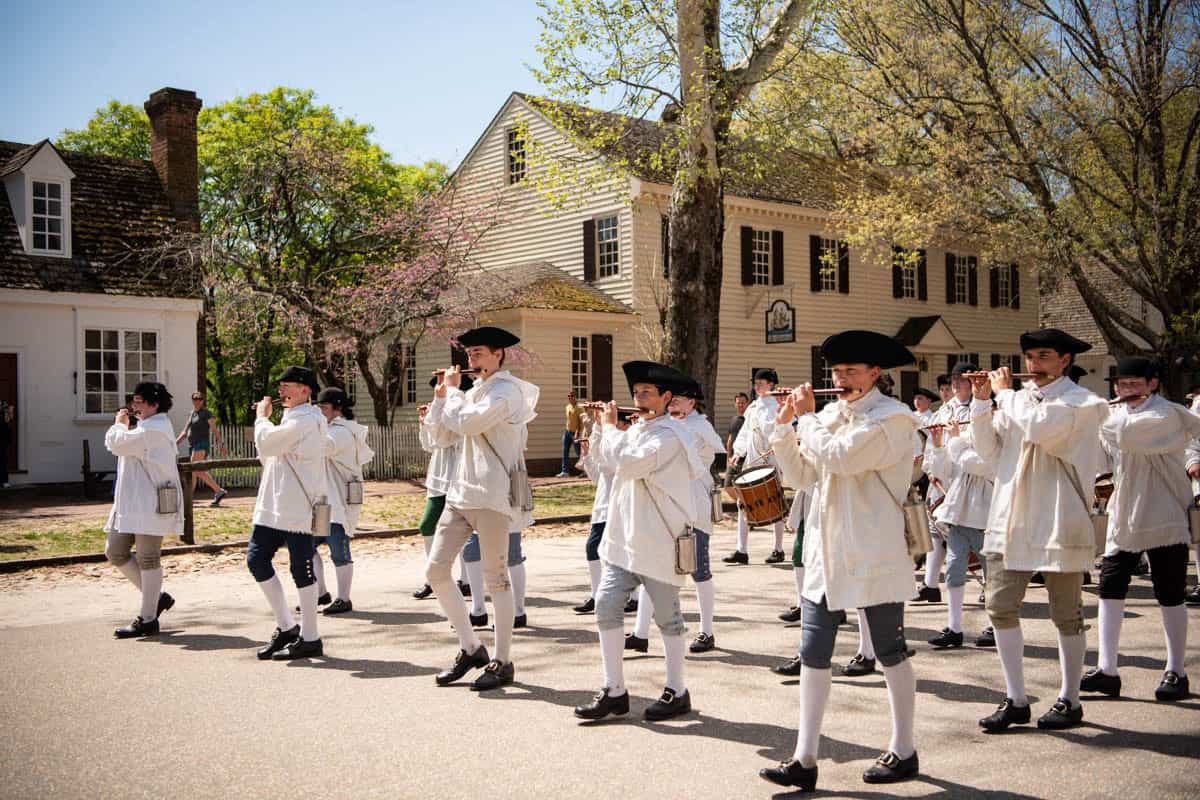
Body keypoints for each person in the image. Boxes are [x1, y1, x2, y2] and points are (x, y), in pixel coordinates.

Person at [759, 330, 922, 789]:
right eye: (835, 371)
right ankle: (804, 759)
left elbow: (842, 458)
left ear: (875, 374)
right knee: (812, 653)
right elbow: (804, 476)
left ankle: (904, 748)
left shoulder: (895, 419)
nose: (841, 379)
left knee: (890, 652)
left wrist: (807, 419)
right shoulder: (828, 415)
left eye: (851, 371)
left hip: (874, 550)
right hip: (826, 555)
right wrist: (784, 429)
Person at [970, 328, 1108, 732]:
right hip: (1009, 517)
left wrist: (1003, 395)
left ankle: (1070, 699)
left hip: (1057, 517)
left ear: (1065, 360)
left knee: (1066, 614)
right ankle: (1015, 699)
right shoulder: (1018, 401)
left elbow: (1041, 429)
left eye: (1044, 356)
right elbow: (989, 453)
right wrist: (981, 404)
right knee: (999, 607)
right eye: (1030, 357)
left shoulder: (1084, 403)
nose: (1033, 366)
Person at [574, 361, 704, 721]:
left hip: (659, 542)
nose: (640, 399)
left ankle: (677, 690)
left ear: (666, 397)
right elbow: (606, 462)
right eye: (636, 393)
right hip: (623, 539)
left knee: (668, 618)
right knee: (606, 605)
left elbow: (629, 463)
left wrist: (608, 429)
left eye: (647, 393)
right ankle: (614, 689)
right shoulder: (633, 430)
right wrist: (600, 431)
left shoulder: (670, 437)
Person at [424, 326, 539, 692]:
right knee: (436, 571)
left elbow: (469, 423)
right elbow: (440, 439)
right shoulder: (472, 392)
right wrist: (442, 400)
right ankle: (471, 647)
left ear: (498, 355)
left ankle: (503, 661)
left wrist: (454, 397)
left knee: (496, 578)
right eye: (469, 354)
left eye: (478, 354)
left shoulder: (508, 393)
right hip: (460, 493)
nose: (471, 361)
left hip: (492, 496)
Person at [1080, 357, 1200, 701]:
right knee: (1109, 586)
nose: (1127, 391)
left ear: (1152, 385)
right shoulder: (1115, 418)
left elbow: (1129, 436)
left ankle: (1176, 670)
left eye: (1135, 385)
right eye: (1122, 385)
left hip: (1164, 514)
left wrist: (1091, 414)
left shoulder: (1167, 415)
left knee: (1170, 593)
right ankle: (1107, 670)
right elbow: (1101, 458)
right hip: (1124, 515)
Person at [626, 377, 726, 653]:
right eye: (671, 401)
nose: (673, 405)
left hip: (693, 508)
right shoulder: (666, 426)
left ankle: (707, 632)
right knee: (652, 568)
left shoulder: (699, 427)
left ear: (692, 402)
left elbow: (711, 452)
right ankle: (640, 633)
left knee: (699, 571)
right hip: (667, 506)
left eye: (678, 400)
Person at [245, 365, 329, 661]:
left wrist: (261, 418)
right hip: (273, 505)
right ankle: (286, 626)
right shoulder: (291, 418)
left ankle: (310, 636)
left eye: (289, 385)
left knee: (300, 570)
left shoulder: (306, 419)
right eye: (280, 385)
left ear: (306, 391)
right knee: (256, 560)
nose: (282, 390)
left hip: (297, 508)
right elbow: (267, 453)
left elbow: (267, 442)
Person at [923, 362, 995, 649]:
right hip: (957, 498)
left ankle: (994, 625)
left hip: (986, 501)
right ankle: (954, 628)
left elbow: (984, 462)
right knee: (953, 567)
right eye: (953, 380)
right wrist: (939, 447)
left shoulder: (993, 412)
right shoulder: (945, 411)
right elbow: (942, 463)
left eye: (963, 381)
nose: (956, 386)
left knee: (992, 569)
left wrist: (954, 442)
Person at [103, 382, 182, 638]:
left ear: (153, 404)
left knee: (148, 558)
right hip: (129, 504)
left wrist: (118, 423)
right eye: (133, 400)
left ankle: (148, 618)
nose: (133, 405)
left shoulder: (156, 429)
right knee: (115, 551)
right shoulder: (144, 428)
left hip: (151, 504)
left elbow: (116, 444)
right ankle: (157, 598)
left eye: (138, 401)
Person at [308, 387, 374, 615]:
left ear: (338, 409)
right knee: (309, 547)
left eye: (324, 408)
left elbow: (322, 447)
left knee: (338, 549)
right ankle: (321, 593)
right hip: (325, 500)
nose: (320, 411)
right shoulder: (330, 428)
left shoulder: (342, 431)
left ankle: (344, 598)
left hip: (338, 501)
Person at [412, 375, 472, 600]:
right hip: (438, 479)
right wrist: (426, 422)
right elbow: (430, 445)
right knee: (427, 525)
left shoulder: (462, 413)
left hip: (459, 479)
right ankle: (433, 577)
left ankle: (466, 580)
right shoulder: (440, 412)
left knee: (464, 532)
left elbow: (449, 439)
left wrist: (437, 417)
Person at [574, 408, 631, 614]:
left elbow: (607, 462)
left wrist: (600, 429)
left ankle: (628, 596)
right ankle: (597, 594)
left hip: (618, 507)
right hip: (602, 506)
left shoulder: (624, 443)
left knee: (619, 552)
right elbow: (598, 476)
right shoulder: (609, 441)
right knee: (594, 549)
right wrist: (588, 454)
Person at [726, 369, 786, 564]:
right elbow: (745, 433)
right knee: (742, 503)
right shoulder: (753, 407)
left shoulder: (776, 405)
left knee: (774, 503)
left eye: (762, 382)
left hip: (770, 460)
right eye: (756, 382)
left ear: (771, 384)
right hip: (752, 459)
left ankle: (778, 549)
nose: (757, 385)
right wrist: (738, 452)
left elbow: (776, 430)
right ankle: (741, 550)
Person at [175, 392, 228, 507]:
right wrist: (174, 444)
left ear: (203, 401)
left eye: (199, 399)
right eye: (195, 399)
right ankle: (219, 491)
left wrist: (221, 445)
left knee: (193, 471)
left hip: (201, 444)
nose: (197, 401)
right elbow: (185, 432)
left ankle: (188, 498)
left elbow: (214, 430)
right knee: (198, 471)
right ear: (192, 400)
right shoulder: (192, 414)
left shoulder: (206, 413)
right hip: (193, 445)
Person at [559, 391, 583, 477]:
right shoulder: (567, 407)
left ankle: (585, 470)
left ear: (576, 397)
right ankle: (565, 471)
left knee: (579, 452)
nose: (570, 397)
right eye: (568, 396)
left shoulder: (579, 408)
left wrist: (578, 432)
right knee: (565, 451)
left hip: (575, 432)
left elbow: (581, 421)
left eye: (572, 396)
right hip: (567, 432)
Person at [0, 400, 12, 488]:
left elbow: (8, 425)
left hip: (3, 441)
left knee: (3, 461)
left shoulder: (5, 412)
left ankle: (4, 481)